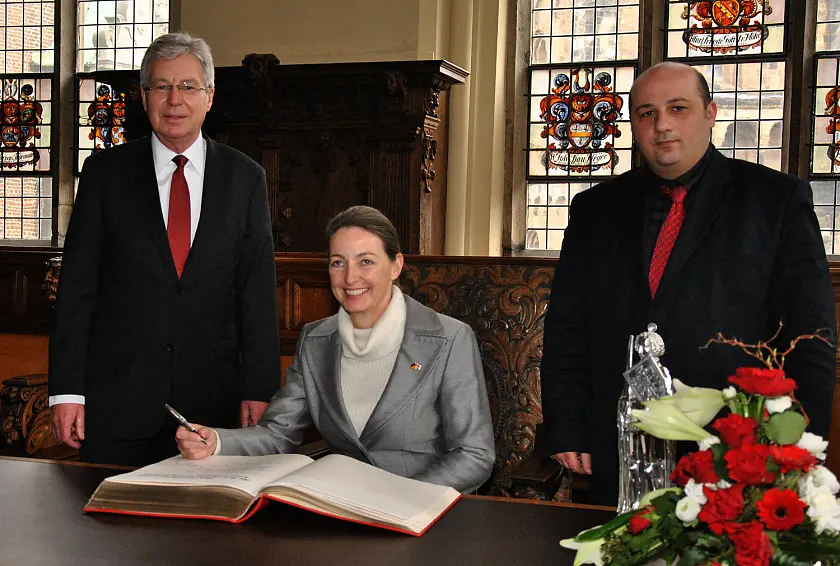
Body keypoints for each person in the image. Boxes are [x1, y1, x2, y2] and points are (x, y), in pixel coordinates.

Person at [538, 62, 837, 506]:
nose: (662, 125)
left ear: (711, 112)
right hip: (619, 442)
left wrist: (799, 444)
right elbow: (567, 328)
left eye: (678, 108)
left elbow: (811, 336)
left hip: (736, 447)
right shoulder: (593, 209)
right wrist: (567, 425)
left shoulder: (775, 199)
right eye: (646, 113)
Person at [48, 32, 280, 466]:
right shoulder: (104, 175)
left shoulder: (245, 179)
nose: (175, 99)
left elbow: (257, 295)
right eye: (161, 86)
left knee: (204, 534)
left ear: (210, 96)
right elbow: (77, 292)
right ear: (143, 95)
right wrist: (66, 391)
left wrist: (259, 389)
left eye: (188, 86)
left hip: (210, 412)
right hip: (116, 405)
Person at [176, 206, 495, 494]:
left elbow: (475, 455)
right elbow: (278, 433)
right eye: (338, 263)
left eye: (366, 261)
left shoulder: (449, 339)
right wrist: (215, 441)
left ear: (396, 265)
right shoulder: (316, 339)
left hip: (424, 515)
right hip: (341, 507)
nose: (350, 277)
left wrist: (405, 499)